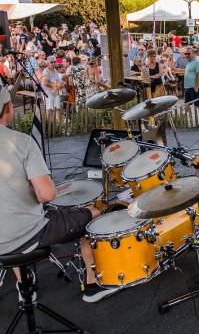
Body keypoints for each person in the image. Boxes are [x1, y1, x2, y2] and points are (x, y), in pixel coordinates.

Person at [0, 84, 118, 302]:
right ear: (7, 107)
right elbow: (46, 195)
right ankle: (94, 284)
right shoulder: (21, 143)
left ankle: (24, 286)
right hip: (26, 236)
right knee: (92, 213)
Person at [183, 47, 199, 127]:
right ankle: (185, 121)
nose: (186, 55)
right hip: (188, 87)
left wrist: (196, 86)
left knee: (198, 104)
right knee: (187, 104)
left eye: (188, 53)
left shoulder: (197, 62)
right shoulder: (188, 62)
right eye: (185, 53)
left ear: (193, 53)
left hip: (194, 87)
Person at [42, 56, 64, 125]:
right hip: (48, 92)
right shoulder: (46, 71)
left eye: (54, 62)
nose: (53, 63)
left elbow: (59, 80)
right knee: (49, 108)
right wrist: (54, 86)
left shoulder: (55, 71)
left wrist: (60, 84)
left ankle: (58, 124)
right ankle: (47, 125)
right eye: (52, 62)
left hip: (55, 91)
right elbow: (45, 83)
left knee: (58, 107)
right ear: (48, 63)